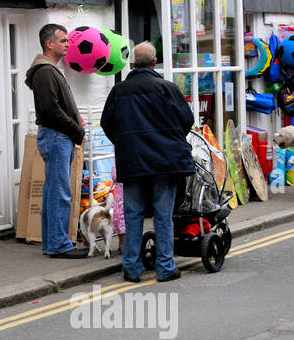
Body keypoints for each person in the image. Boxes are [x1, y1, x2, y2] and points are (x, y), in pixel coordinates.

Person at [100, 41, 195, 283]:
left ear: (132, 64)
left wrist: (126, 144)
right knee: (163, 216)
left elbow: (106, 124)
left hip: (132, 163)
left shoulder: (118, 92)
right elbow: (187, 120)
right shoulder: (167, 88)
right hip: (164, 163)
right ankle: (165, 267)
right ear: (154, 63)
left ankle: (131, 269)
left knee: (133, 216)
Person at [27, 24, 87, 258]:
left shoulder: (49, 70)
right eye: (63, 41)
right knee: (59, 192)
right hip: (56, 136)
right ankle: (59, 245)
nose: (67, 44)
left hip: (59, 136)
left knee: (55, 190)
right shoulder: (45, 72)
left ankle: (54, 243)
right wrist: (75, 129)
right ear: (49, 44)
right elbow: (50, 110)